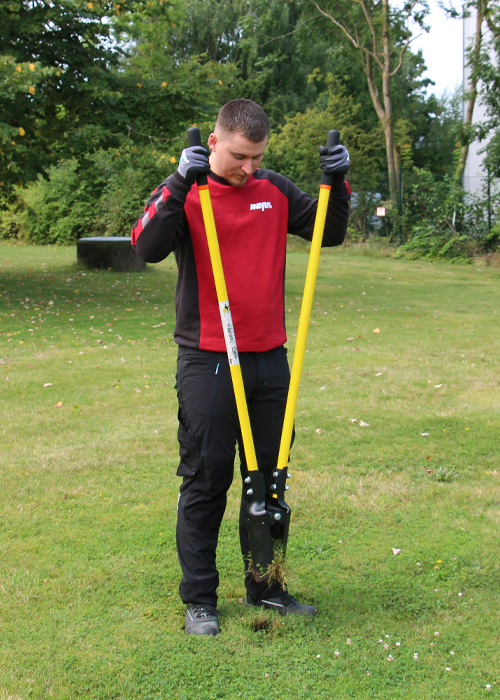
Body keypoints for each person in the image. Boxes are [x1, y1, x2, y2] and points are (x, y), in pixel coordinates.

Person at [131, 99, 350, 636]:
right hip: (207, 358)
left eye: (257, 158)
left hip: (270, 359)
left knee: (268, 482)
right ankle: (200, 599)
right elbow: (147, 247)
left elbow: (329, 232)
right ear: (214, 140)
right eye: (239, 156)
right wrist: (181, 180)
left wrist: (337, 184)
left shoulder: (273, 190)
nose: (248, 168)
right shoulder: (188, 187)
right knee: (207, 479)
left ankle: (267, 586)